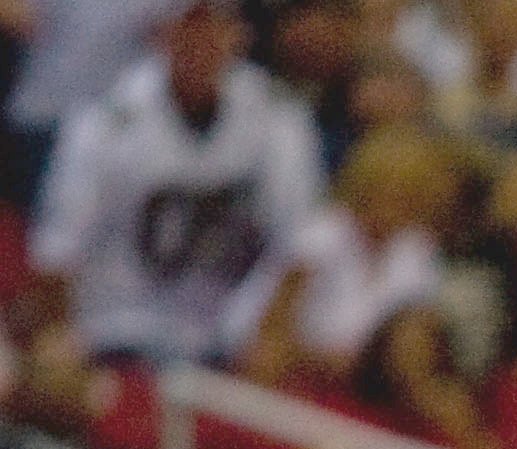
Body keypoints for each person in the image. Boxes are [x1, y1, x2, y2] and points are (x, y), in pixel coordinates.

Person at [26, 1, 323, 366]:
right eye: (189, 27)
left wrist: (270, 331)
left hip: (223, 340)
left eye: (216, 27)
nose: (202, 41)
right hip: (114, 329)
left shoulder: (277, 117)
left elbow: (303, 240)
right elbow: (58, 250)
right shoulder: (107, 121)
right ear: (161, 34)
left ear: (240, 35)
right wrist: (61, 333)